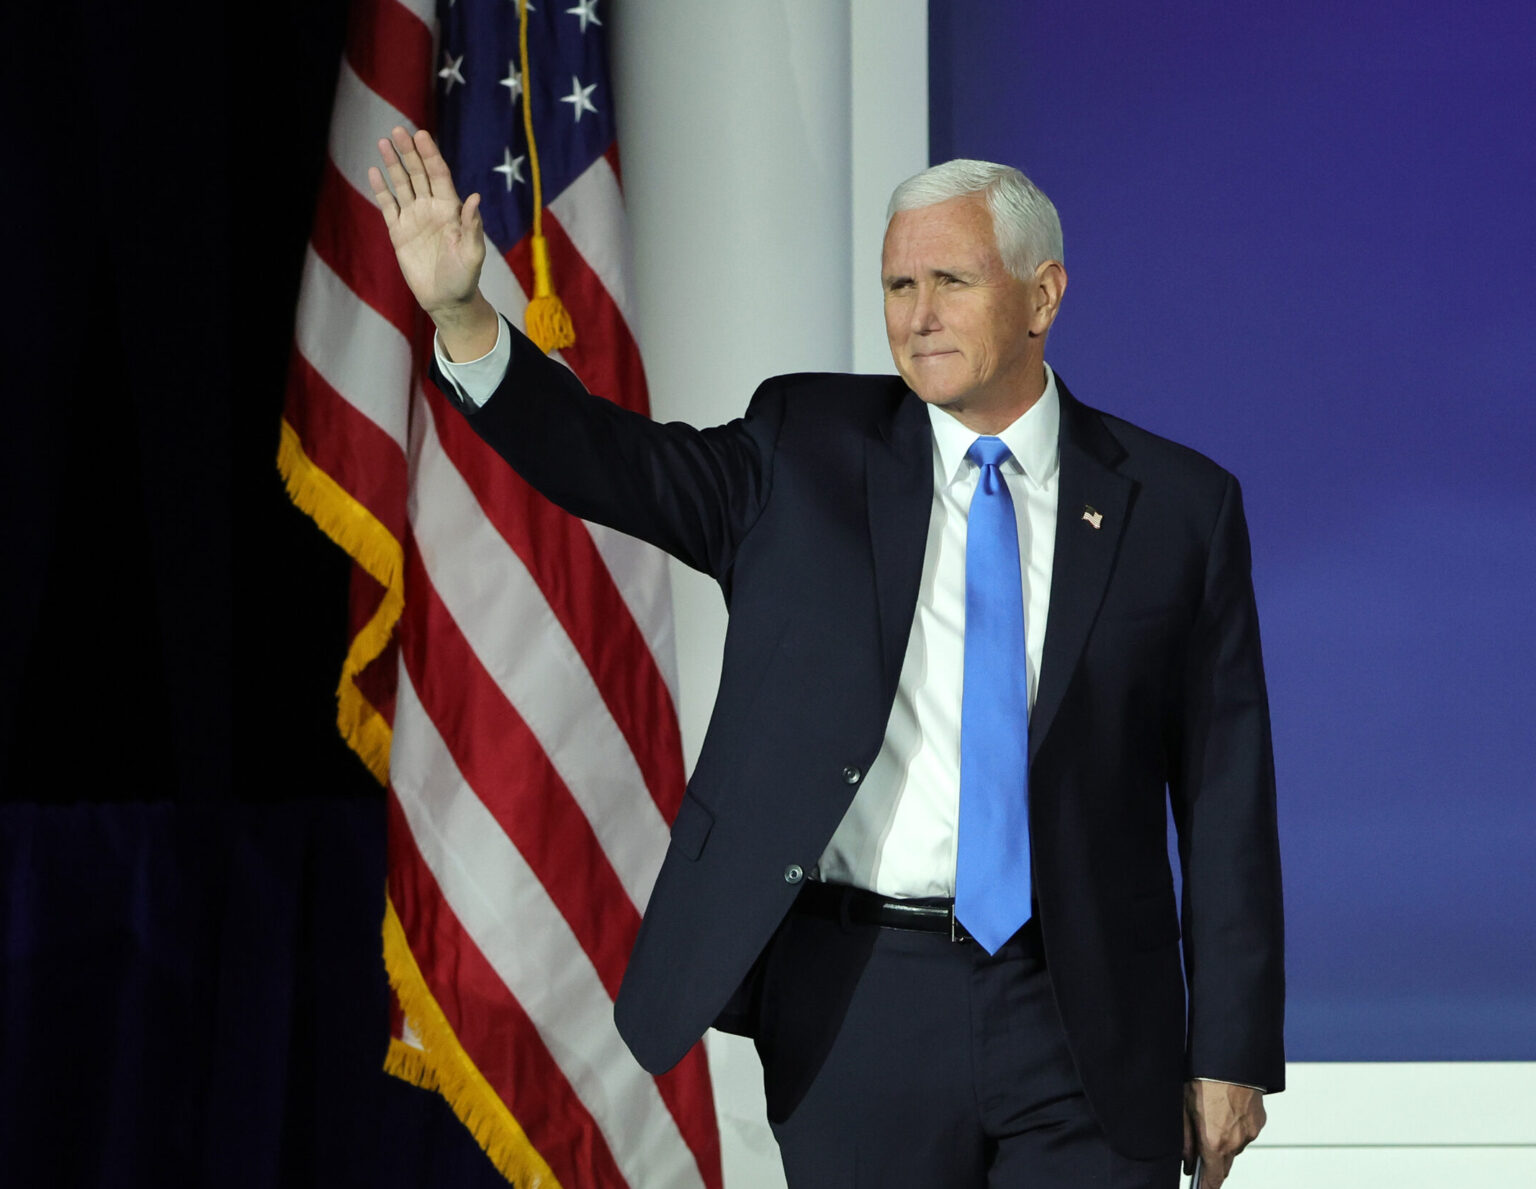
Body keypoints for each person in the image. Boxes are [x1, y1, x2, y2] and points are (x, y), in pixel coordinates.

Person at [368, 125, 1285, 1188]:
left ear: (1043, 297)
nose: (918, 314)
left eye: (951, 279)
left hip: (1083, 1012)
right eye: (899, 283)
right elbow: (612, 464)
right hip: (861, 999)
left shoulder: (1176, 507)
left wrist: (1228, 1049)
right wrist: (466, 319)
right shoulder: (804, 444)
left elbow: (1225, 794)